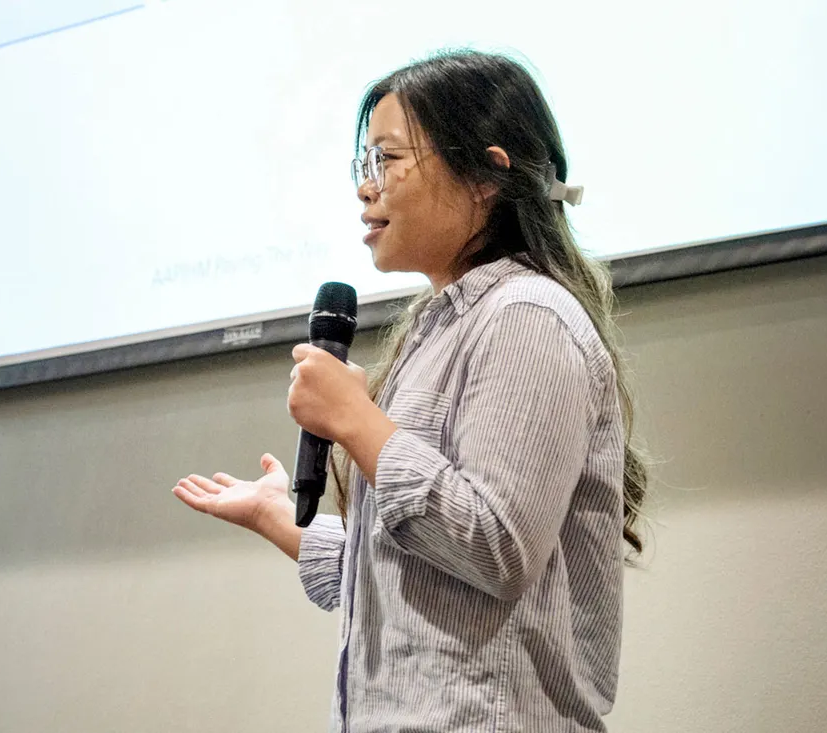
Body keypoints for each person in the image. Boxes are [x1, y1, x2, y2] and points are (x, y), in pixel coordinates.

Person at [172, 49, 647, 733]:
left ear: (486, 176)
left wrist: (358, 422)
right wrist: (278, 515)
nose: (366, 189)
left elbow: (492, 548)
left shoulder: (528, 318)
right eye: (363, 167)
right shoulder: (434, 330)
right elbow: (410, 586)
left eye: (389, 161)